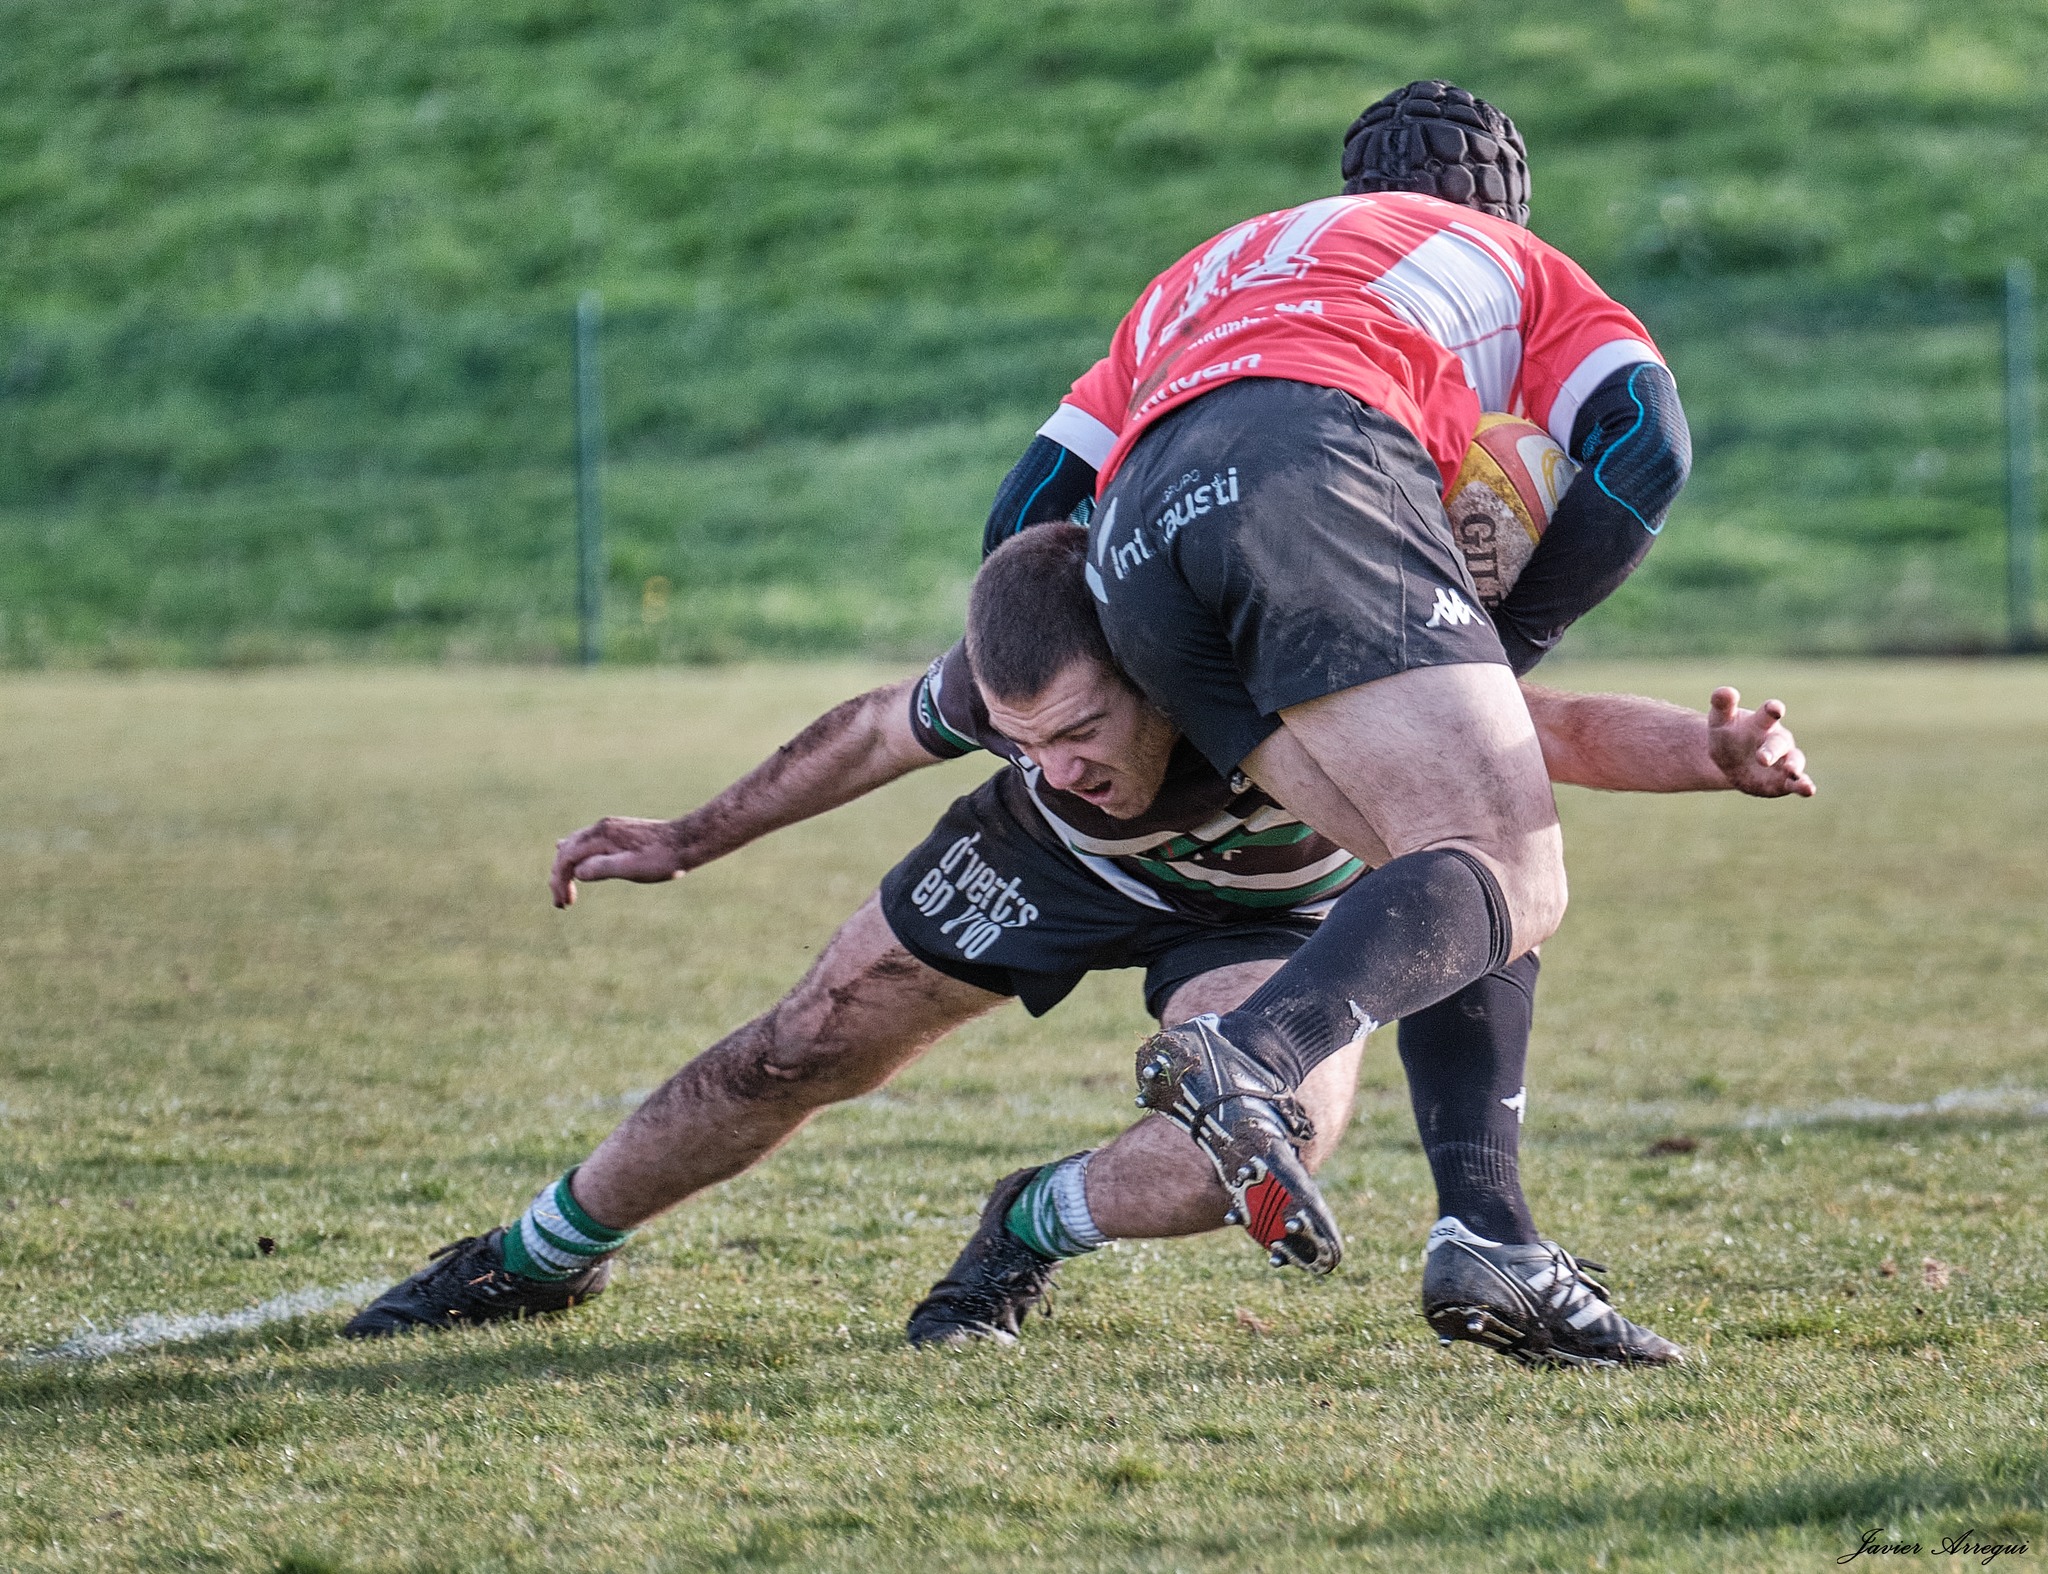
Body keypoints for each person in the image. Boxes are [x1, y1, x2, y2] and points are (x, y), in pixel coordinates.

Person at [343, 526, 1811, 1366]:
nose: (1054, 754)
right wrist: (687, 833)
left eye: (1082, 730)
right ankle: (541, 1251)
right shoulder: (1040, 742)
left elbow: (1537, 732)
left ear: (1160, 669)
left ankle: (1022, 1225)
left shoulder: (1298, 665)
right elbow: (871, 728)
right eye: (1021, 734)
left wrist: (1707, 748)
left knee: (1239, 1153)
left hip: (1275, 914)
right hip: (1053, 875)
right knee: (795, 1046)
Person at [973, 80, 1698, 1278]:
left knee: (1439, 866)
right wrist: (1497, 650)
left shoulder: (1214, 267)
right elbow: (1645, 442)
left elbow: (1026, 515)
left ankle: (1493, 1236)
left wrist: (1129, 667)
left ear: (1351, 193)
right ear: (1508, 208)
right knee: (1504, 852)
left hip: (1149, 525)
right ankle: (1253, 1055)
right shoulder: (1506, 261)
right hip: (1319, 455)